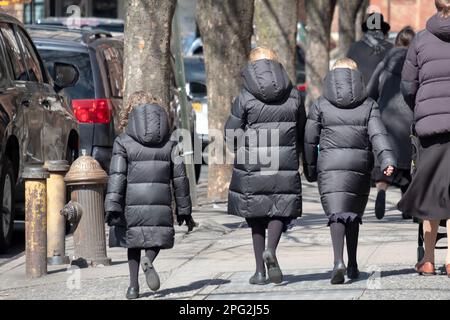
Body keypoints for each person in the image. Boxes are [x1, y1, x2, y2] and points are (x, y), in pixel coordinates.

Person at [304, 58, 396, 285]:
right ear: (357, 77)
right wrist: (387, 158)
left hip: (329, 165)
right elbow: (378, 135)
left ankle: (338, 261)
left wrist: (310, 167)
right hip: (359, 166)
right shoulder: (369, 104)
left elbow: (309, 139)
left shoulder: (320, 104)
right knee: (353, 214)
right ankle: (353, 264)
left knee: (336, 213)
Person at [225, 47, 306, 285]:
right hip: (284, 160)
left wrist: (242, 147)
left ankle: (259, 272)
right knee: (280, 207)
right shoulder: (293, 95)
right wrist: (298, 152)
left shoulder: (245, 96)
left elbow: (231, 132)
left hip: (254, 161)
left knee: (256, 215)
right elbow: (303, 128)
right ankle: (271, 249)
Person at [104, 91, 195, 299]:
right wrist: (184, 211)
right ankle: (150, 261)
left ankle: (133, 288)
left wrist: (112, 205)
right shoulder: (171, 143)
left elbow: (117, 176)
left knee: (133, 242)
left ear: (130, 114)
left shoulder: (123, 142)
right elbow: (180, 179)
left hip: (131, 202)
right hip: (160, 202)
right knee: (156, 239)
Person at [398, 0, 450, 277]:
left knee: (431, 190)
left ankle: (428, 258)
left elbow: (408, 85)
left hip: (430, 125)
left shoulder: (421, 39)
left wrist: (421, 107)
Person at [367, 26, 416, 220]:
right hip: (409, 119)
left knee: (384, 167)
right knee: (408, 167)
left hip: (387, 118)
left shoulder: (385, 61)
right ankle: (407, 206)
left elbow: (371, 90)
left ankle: (381, 190)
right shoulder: (416, 63)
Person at [347, 12, 393, 86]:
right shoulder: (390, 48)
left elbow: (346, 72)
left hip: (359, 91)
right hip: (383, 93)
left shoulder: (354, 47)